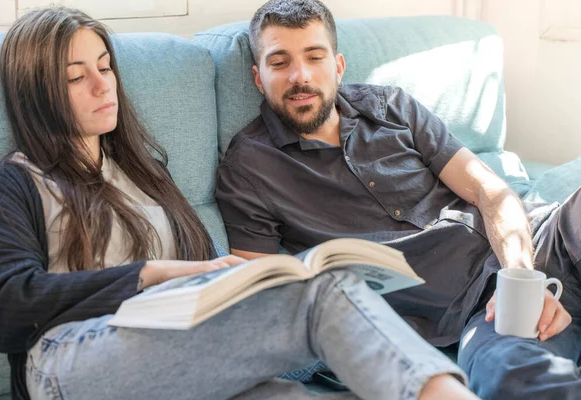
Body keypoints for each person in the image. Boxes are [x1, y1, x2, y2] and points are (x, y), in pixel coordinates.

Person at [0, 7, 480, 400]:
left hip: (173, 343)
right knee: (324, 294)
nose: (102, 84)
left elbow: (197, 285)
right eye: (75, 77)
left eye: (106, 66)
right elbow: (8, 307)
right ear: (38, 90)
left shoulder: (144, 172)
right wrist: (152, 273)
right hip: (70, 361)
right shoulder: (17, 181)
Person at [215, 0, 581, 399]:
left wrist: (522, 280)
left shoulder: (392, 107)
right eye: (279, 62)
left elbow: (488, 190)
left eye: (313, 57)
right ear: (258, 77)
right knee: (518, 381)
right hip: (478, 314)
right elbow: (265, 297)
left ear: (337, 66)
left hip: (542, 240)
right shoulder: (248, 167)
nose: (300, 76)